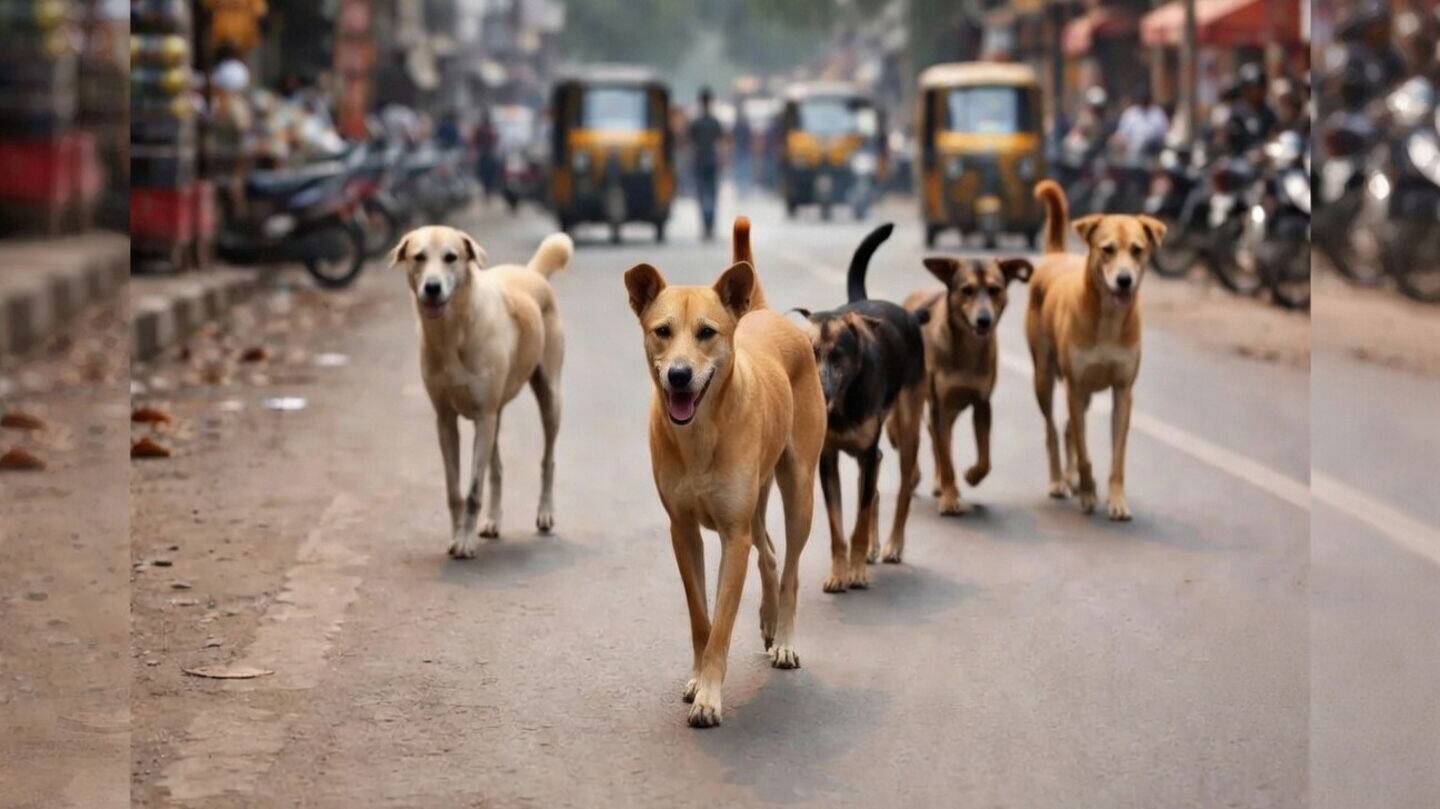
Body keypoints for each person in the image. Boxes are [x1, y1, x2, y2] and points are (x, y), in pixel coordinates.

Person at [687, 87, 725, 240]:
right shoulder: (715, 122)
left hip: (699, 162)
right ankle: (710, 226)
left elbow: (690, 144)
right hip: (712, 161)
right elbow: (722, 144)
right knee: (712, 196)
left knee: (702, 195)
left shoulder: (696, 123)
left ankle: (705, 226)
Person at [1112, 89, 1169, 161]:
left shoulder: (1157, 113)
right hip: (1133, 155)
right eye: (1142, 99)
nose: (1143, 101)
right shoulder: (1131, 113)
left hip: (1154, 153)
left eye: (1145, 99)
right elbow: (1121, 135)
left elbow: (1164, 134)